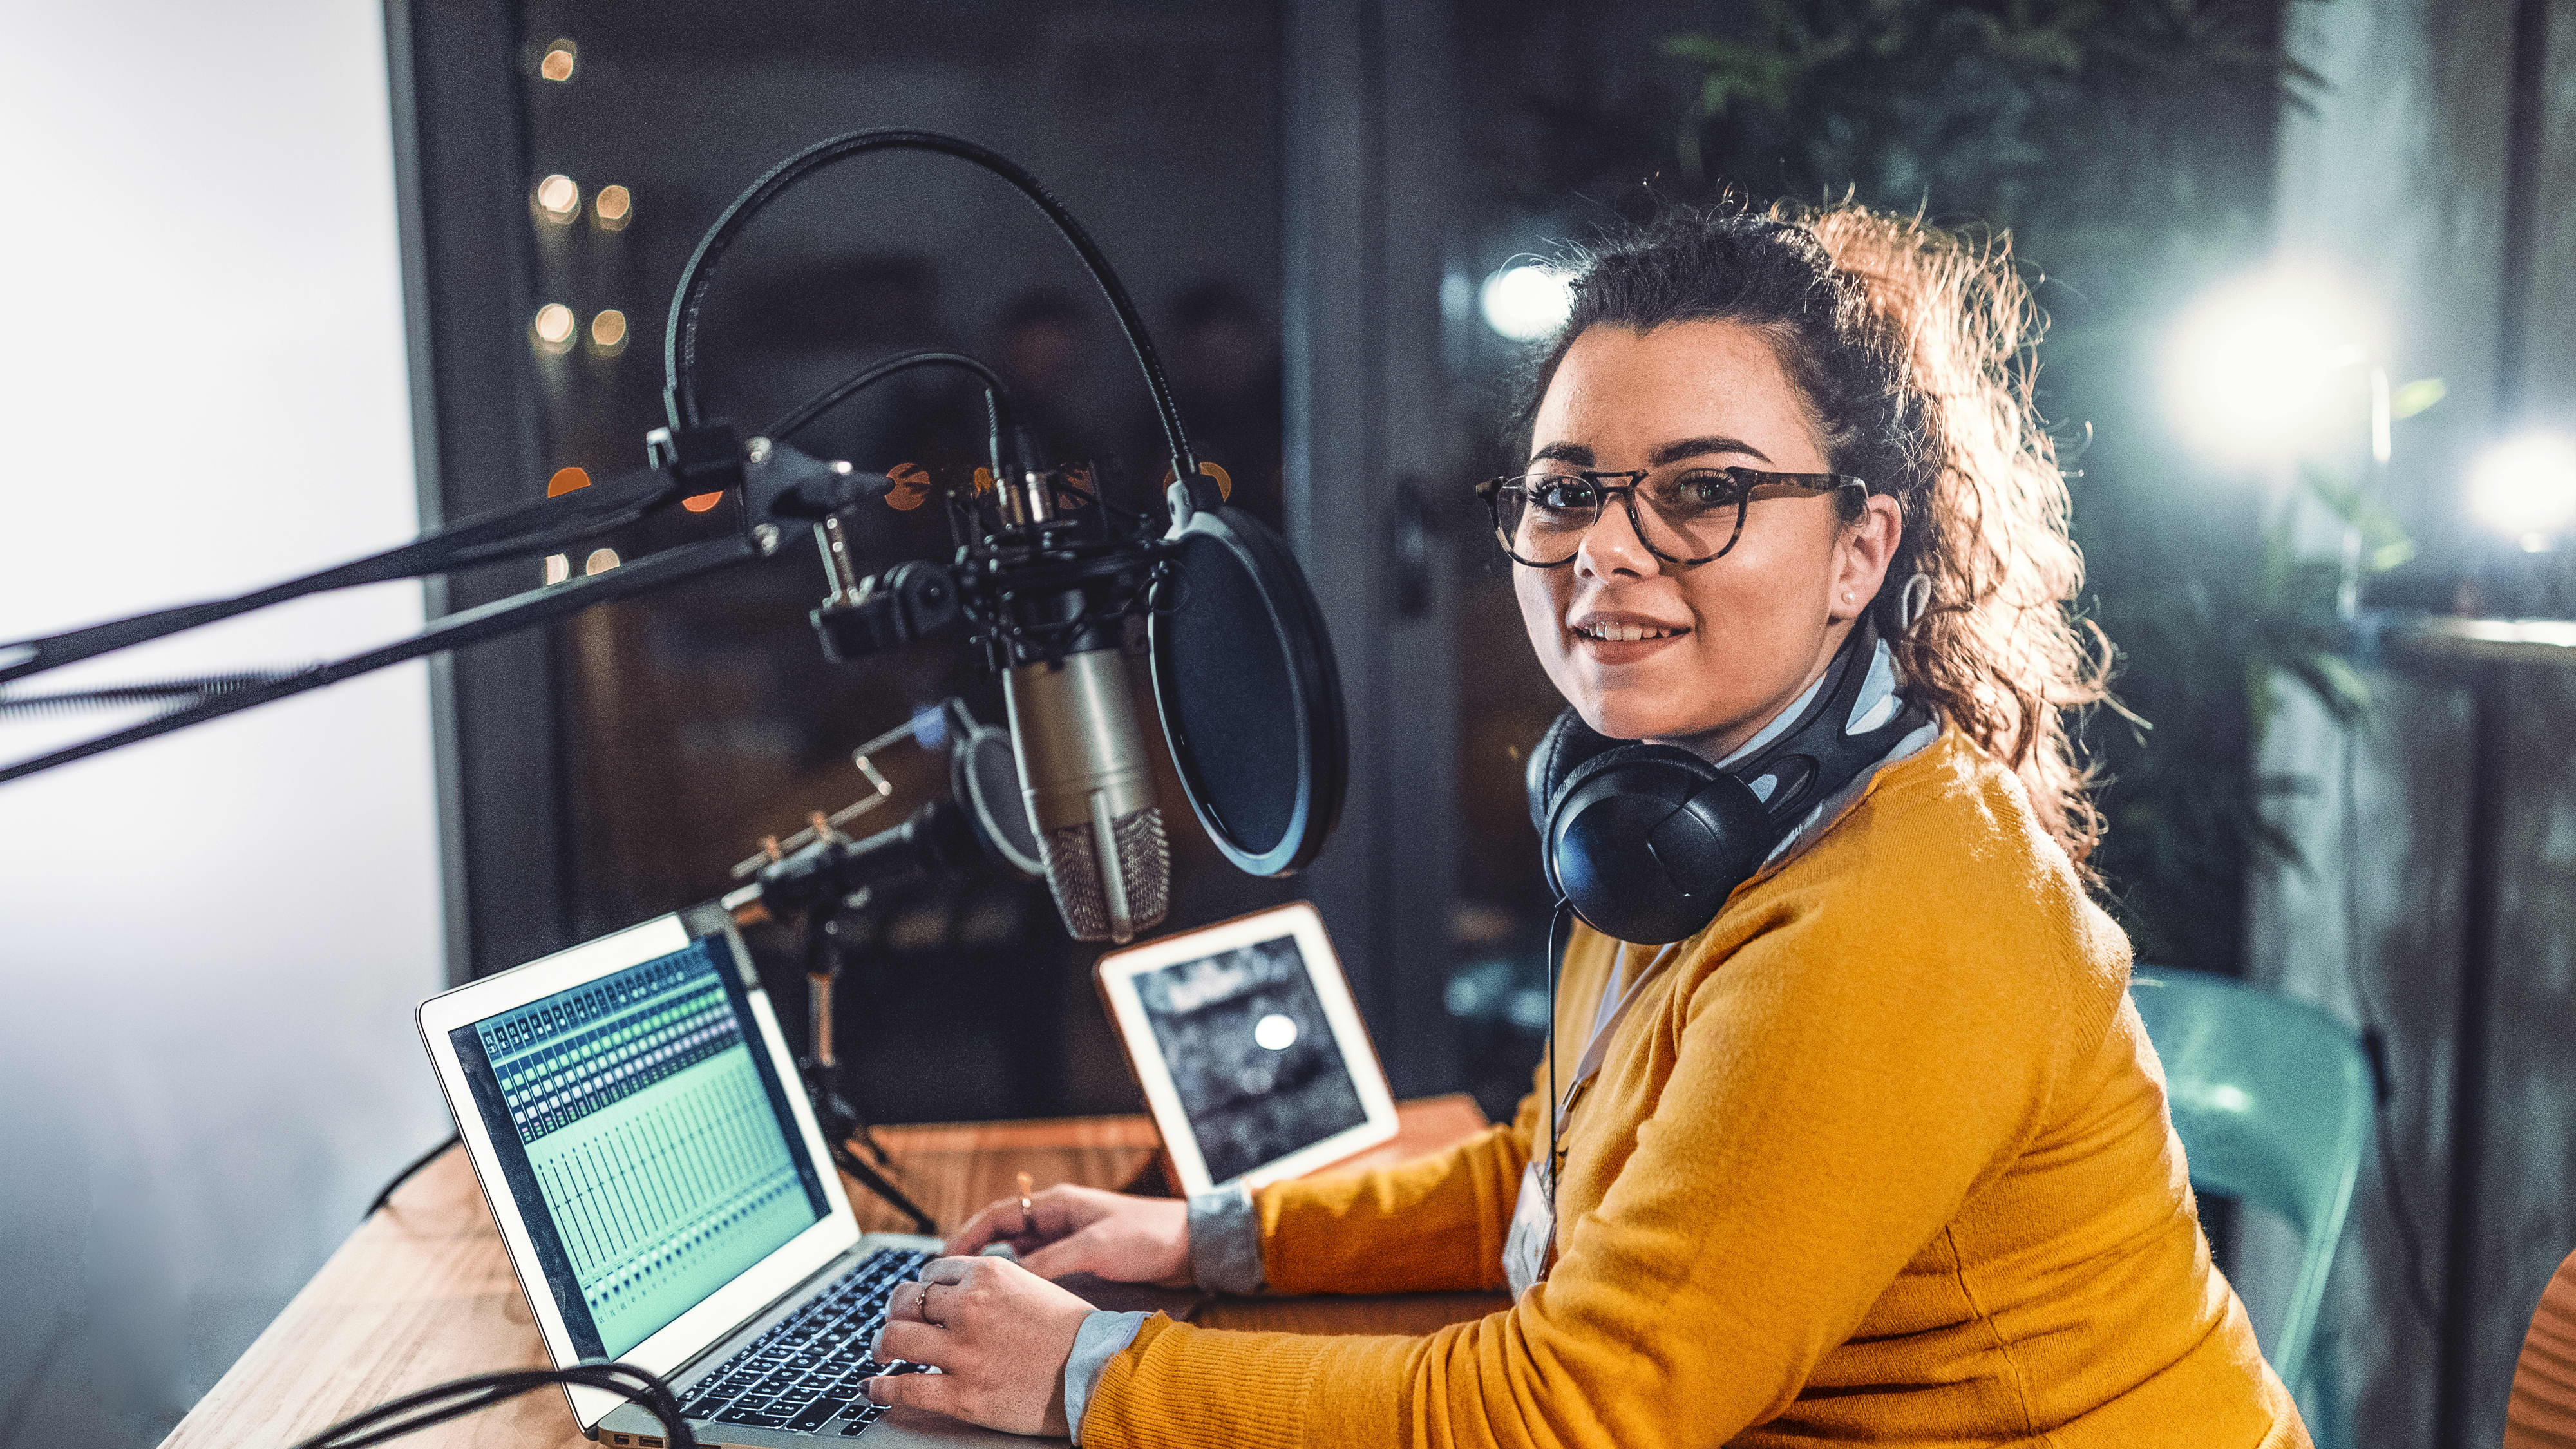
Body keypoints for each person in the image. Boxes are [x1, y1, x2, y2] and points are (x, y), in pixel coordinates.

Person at [848, 203, 2313, 1446]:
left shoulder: (1892, 910)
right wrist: (1209, 1239)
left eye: (1702, 493)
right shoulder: (1670, 820)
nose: (1604, 549)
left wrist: (1092, 1377)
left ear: (1858, 548)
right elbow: (1550, 1179)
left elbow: (1581, 1412)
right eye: (1563, 495)